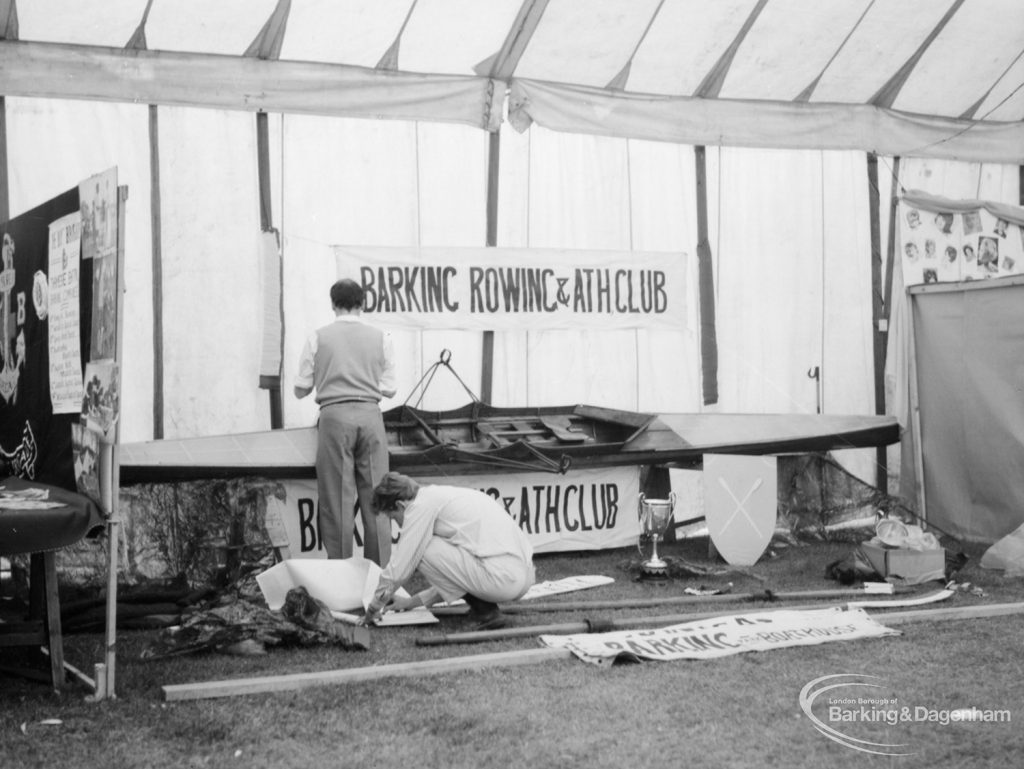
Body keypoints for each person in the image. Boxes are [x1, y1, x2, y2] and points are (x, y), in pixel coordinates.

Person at [294, 278, 396, 565]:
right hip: (370, 415)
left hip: (333, 416)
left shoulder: (317, 337)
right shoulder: (382, 337)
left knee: (337, 498)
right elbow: (390, 388)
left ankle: (340, 571)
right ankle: (378, 574)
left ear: (332, 304)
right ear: (362, 304)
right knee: (377, 495)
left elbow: (300, 389)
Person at [361, 472, 536, 630]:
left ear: (400, 505)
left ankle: (486, 613)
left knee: (422, 549)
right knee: (428, 547)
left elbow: (398, 569)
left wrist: (374, 607)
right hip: (524, 577)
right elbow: (456, 576)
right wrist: (411, 602)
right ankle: (484, 609)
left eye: (393, 517)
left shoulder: (419, 507)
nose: (397, 524)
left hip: (503, 579)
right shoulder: (439, 495)